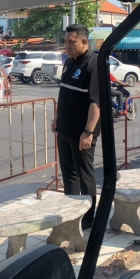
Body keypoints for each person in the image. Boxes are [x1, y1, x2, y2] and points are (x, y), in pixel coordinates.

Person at [51, 24, 100, 230]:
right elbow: (64, 93)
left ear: (84, 42)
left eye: (71, 42)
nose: (67, 46)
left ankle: (88, 219)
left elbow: (96, 103)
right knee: (68, 173)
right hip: (64, 128)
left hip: (82, 133)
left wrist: (88, 132)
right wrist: (57, 118)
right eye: (65, 42)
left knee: (84, 174)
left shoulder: (94, 65)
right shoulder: (69, 62)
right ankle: (71, 213)